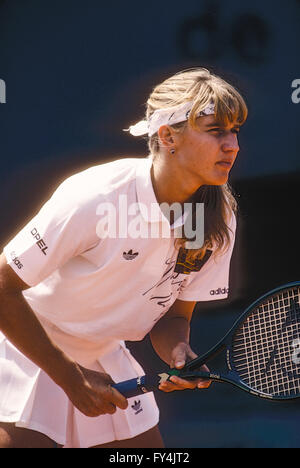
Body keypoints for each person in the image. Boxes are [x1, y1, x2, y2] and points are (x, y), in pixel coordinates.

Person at [0, 67, 248, 448]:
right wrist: (69, 376)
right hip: (22, 352)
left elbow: (174, 314)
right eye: (216, 130)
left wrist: (179, 353)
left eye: (235, 131)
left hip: (105, 359)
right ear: (168, 137)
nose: (231, 144)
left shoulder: (215, 216)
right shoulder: (96, 197)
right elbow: (3, 287)